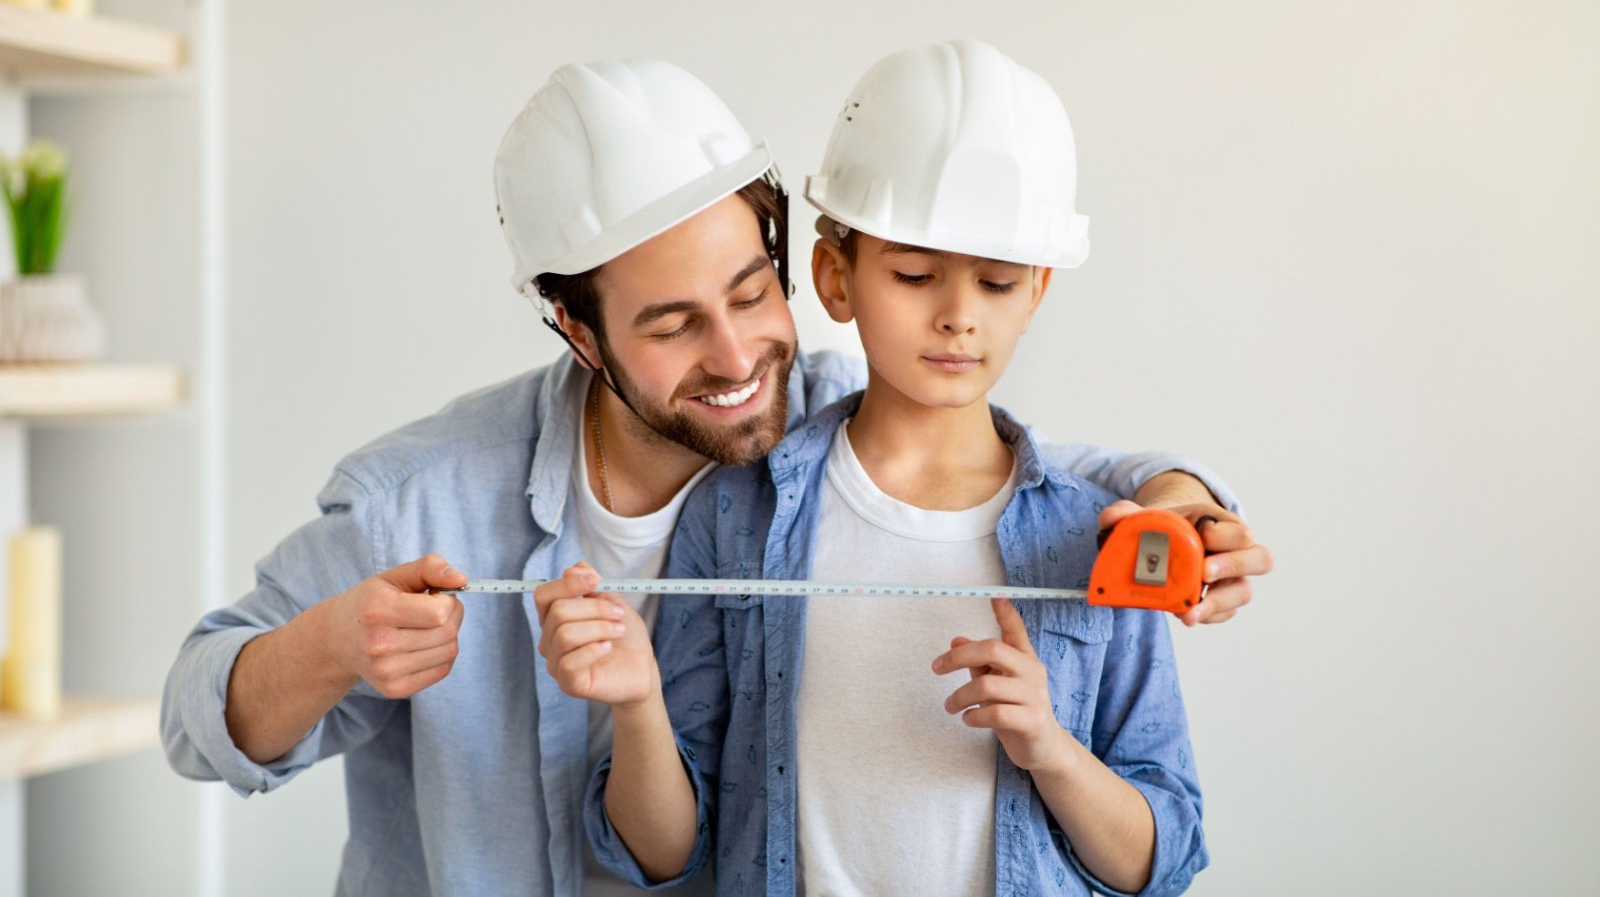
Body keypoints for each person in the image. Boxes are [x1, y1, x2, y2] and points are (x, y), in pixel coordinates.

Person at [162, 57, 1268, 897]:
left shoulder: (825, 410)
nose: (738, 360)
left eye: (751, 293)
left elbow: (1026, 473)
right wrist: (332, 644)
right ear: (578, 331)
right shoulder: (422, 500)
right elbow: (193, 719)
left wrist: (1179, 495)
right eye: (674, 324)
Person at [547, 42, 1236, 895]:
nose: (956, 317)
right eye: (914, 275)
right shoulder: (737, 514)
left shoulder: (1101, 534)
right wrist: (637, 703)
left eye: (996, 282)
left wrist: (1049, 751)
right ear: (835, 279)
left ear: (1038, 292)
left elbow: (1160, 862)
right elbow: (664, 854)